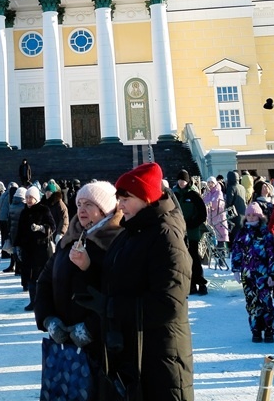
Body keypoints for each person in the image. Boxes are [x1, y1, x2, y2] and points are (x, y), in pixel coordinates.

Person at [97, 162, 193, 401]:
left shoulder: (165, 236)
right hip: (135, 349)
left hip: (160, 355)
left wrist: (115, 307)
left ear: (146, 198)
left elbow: (169, 301)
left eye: (126, 198)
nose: (120, 205)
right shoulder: (133, 230)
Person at [35, 181, 123, 387]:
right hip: (64, 341)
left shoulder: (117, 241)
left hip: (99, 345)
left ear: (105, 209)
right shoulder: (69, 239)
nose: (81, 210)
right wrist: (48, 318)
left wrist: (90, 329)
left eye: (89, 204)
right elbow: (45, 280)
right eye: (80, 203)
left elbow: (115, 293)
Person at [231, 202, 274, 342]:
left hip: (263, 275)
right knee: (252, 304)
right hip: (248, 275)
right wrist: (236, 268)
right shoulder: (242, 233)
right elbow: (236, 251)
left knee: (266, 303)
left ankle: (269, 330)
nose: (251, 218)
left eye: (254, 215)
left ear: (260, 216)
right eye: (249, 215)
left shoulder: (266, 234)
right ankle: (256, 330)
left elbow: (272, 255)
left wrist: (273, 274)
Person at [16, 186, 56, 312]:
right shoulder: (24, 212)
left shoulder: (43, 210)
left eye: (30, 197)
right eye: (27, 197)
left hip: (41, 249)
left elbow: (52, 225)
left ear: (36, 198)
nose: (28, 200)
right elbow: (19, 230)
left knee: (42, 277)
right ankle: (33, 301)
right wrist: (17, 245)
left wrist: (41, 228)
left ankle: (45, 302)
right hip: (28, 249)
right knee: (30, 276)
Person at [171, 169, 209, 295]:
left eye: (184, 180)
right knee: (183, 260)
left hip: (192, 232)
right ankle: (190, 284)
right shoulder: (174, 194)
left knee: (194, 258)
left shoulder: (193, 194)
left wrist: (191, 223)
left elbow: (202, 214)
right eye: (180, 180)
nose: (182, 183)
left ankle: (201, 282)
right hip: (179, 231)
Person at [202, 177, 228, 251]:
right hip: (210, 220)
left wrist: (208, 205)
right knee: (212, 240)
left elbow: (216, 204)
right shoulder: (207, 193)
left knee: (220, 239)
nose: (210, 184)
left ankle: (221, 259)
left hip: (218, 219)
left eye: (212, 182)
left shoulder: (218, 192)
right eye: (208, 182)